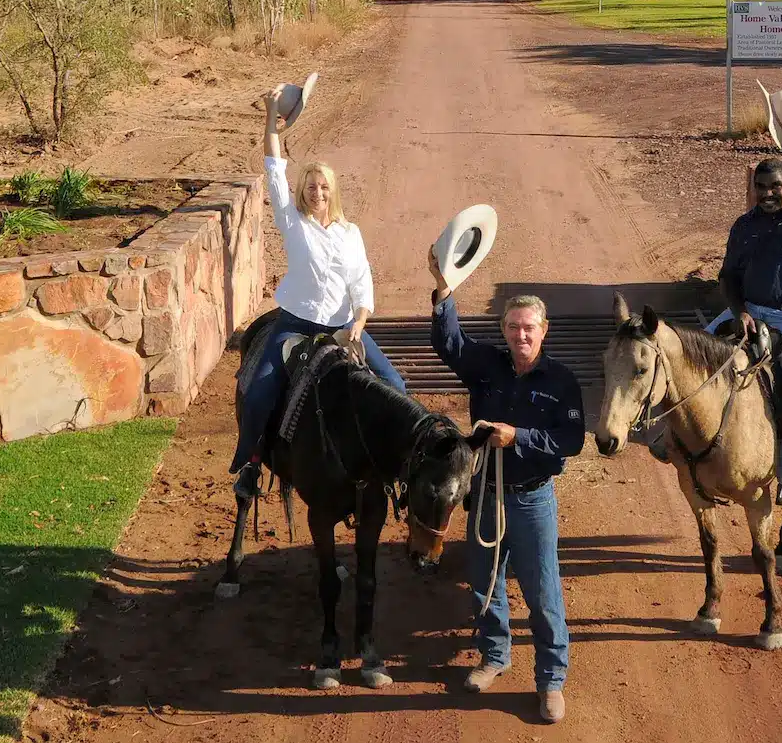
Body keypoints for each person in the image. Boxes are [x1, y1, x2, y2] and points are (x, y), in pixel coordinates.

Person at [430, 262, 586, 725]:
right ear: (504, 329)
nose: (522, 335)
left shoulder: (562, 382)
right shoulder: (488, 367)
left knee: (542, 592)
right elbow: (449, 344)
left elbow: (571, 442)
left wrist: (518, 436)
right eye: (514, 327)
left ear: (544, 332)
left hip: (533, 500)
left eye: (530, 328)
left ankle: (551, 679)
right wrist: (444, 290)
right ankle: (494, 656)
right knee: (485, 582)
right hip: (485, 493)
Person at [229, 87, 405, 494]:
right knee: (257, 392)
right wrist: (272, 118)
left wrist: (360, 321)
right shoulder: (292, 222)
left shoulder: (350, 233)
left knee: (395, 385)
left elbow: (362, 279)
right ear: (303, 191)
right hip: (295, 325)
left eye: (323, 186)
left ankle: (389, 461)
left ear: (333, 191)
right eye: (310, 185)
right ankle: (251, 462)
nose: (317, 192)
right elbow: (274, 169)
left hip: (345, 326)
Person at [663, 94, 782, 508]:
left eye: (776, 186)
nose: (768, 193)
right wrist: (739, 311)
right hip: (751, 312)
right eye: (761, 188)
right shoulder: (745, 225)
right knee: (684, 359)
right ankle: (668, 438)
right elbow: (729, 277)